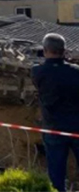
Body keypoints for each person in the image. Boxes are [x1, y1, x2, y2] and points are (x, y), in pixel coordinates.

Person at [32, 33, 79, 192]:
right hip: (76, 128)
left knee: (56, 175)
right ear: (64, 51)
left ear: (45, 50)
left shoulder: (38, 72)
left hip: (53, 128)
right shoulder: (76, 72)